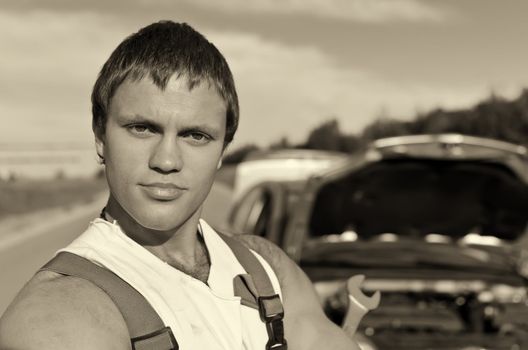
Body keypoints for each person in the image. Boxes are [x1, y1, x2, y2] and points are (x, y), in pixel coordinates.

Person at [0, 21, 361, 350]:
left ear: (223, 151)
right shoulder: (58, 314)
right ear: (99, 135)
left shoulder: (268, 271)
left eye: (196, 136)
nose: (167, 160)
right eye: (142, 128)